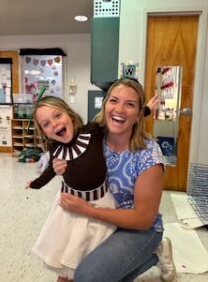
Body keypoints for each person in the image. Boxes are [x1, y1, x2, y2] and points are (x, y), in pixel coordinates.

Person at [53, 78, 176, 282]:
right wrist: (61, 166)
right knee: (65, 274)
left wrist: (87, 209)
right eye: (114, 100)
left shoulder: (149, 155)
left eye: (130, 104)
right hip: (99, 219)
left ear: (139, 114)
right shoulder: (91, 139)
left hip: (137, 229)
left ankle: (155, 251)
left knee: (87, 277)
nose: (119, 109)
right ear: (105, 104)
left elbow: (143, 218)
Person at [25, 96, 116, 282]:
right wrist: (35, 183)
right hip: (69, 210)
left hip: (99, 205)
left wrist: (145, 109)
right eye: (46, 124)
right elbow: (49, 172)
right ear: (45, 133)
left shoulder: (93, 131)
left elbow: (117, 118)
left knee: (92, 258)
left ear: (70, 115)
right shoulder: (55, 150)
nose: (55, 124)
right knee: (67, 260)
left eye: (57, 115)